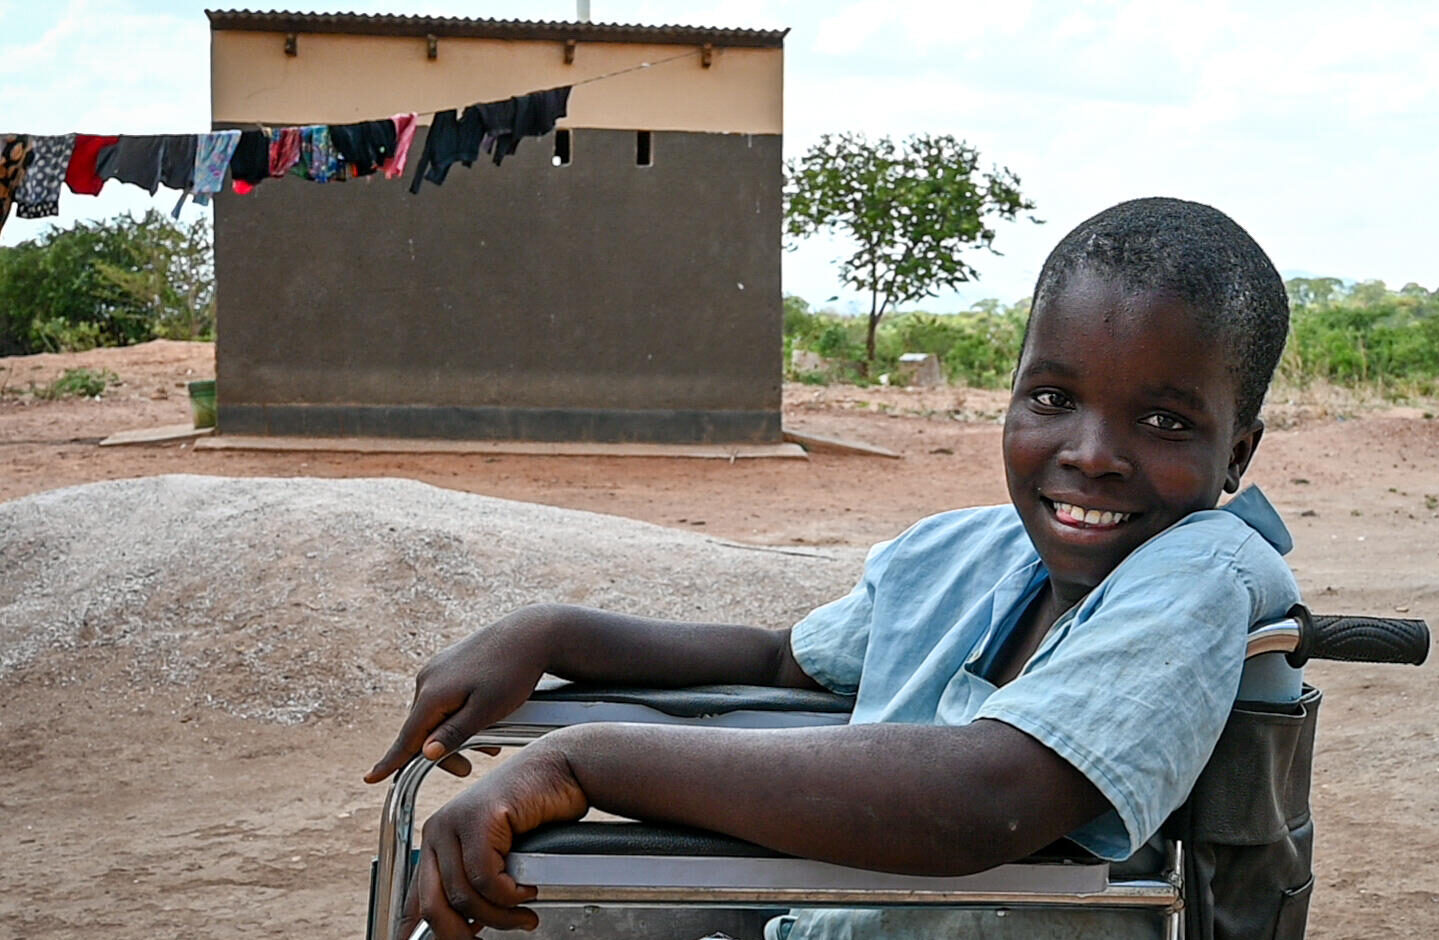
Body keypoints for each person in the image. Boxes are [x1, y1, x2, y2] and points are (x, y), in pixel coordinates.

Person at [365, 196, 1303, 939]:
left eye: (1166, 422)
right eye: (1053, 397)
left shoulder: (1206, 570)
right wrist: (551, 631)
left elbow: (992, 796)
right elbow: (783, 661)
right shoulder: (963, 551)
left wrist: (585, 758)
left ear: (1238, 454)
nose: (1091, 453)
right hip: (806, 913)